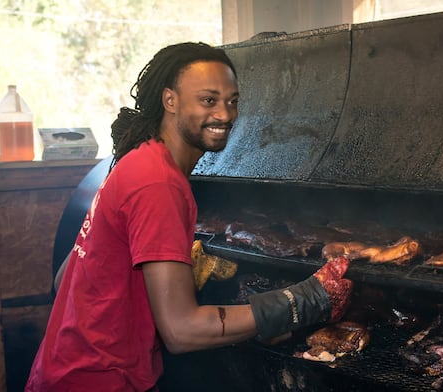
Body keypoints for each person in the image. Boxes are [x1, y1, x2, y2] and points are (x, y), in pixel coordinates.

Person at [25, 42, 353, 391]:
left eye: (232, 101)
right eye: (209, 100)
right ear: (170, 100)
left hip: (63, 369)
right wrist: (301, 301)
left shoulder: (138, 160)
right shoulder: (159, 183)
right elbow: (181, 332)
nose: (225, 115)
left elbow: (66, 279)